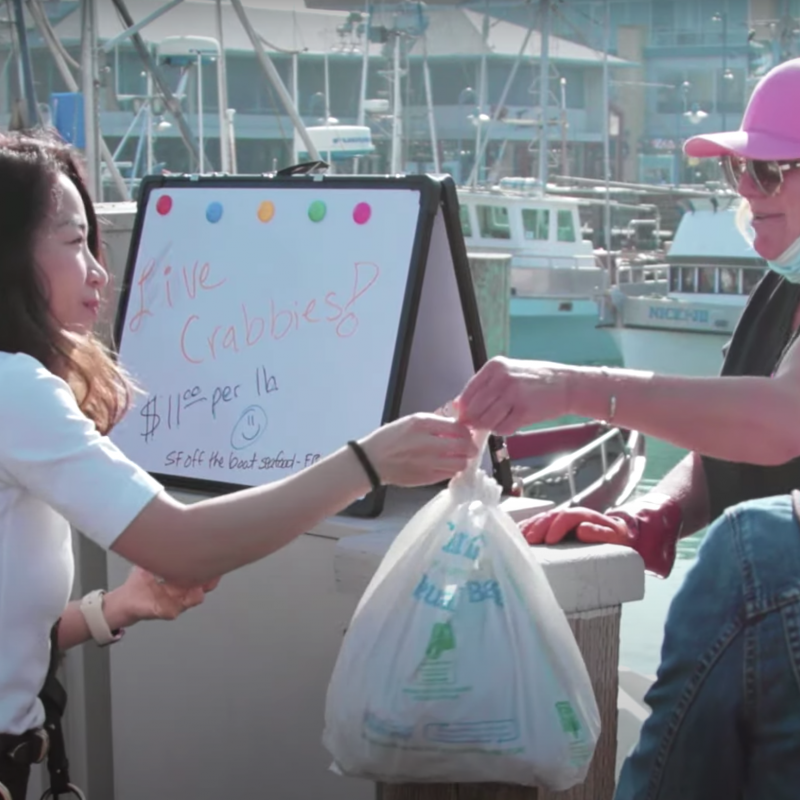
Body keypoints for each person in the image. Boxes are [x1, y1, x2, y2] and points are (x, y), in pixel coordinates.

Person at [0, 131, 477, 800]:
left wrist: (117, 607)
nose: (99, 272)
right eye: (75, 242)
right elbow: (184, 547)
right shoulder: (16, 390)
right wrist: (369, 461)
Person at [456, 57, 800, 799]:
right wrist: (655, 513)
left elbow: (781, 423)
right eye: (740, 169)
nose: (745, 189)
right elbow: (729, 445)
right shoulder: (780, 291)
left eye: (770, 171)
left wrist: (576, 387)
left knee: (751, 551)